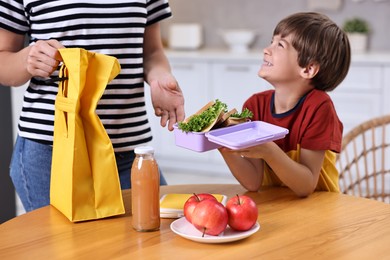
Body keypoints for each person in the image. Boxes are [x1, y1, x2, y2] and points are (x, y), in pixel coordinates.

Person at [0, 0, 185, 212]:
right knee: (65, 245)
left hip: (128, 152)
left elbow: (152, 52)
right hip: (52, 154)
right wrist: (28, 59)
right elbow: (3, 63)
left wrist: (159, 77)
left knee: (152, 239)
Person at [219, 12, 351, 197]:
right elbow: (253, 181)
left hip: (319, 206)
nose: (266, 49)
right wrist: (223, 145)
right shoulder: (255, 105)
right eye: (271, 41)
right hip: (277, 204)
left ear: (308, 69)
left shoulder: (319, 107)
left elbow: (306, 185)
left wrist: (269, 150)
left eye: (280, 45)